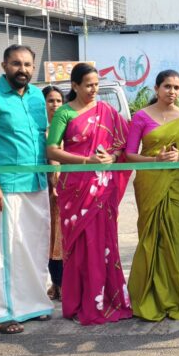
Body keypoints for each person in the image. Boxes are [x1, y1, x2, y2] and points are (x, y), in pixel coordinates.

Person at [0, 45, 53, 333]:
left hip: (36, 183)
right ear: (4, 65)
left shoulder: (35, 97)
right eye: (16, 64)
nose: (23, 70)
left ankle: (32, 304)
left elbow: (42, 139)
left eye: (28, 64)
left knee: (32, 247)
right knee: (1, 251)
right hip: (4, 187)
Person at [47, 62, 132, 326]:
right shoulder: (64, 113)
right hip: (75, 187)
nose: (94, 89)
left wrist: (113, 155)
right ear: (75, 86)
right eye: (88, 85)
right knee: (79, 246)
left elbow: (123, 142)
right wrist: (86, 162)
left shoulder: (106, 110)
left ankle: (107, 298)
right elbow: (51, 150)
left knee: (104, 243)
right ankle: (78, 302)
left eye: (96, 84)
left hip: (102, 187)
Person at [125, 70, 179, 321]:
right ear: (156, 88)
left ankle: (175, 296)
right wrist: (154, 159)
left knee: (175, 240)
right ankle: (147, 295)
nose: (172, 92)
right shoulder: (141, 117)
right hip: (150, 181)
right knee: (150, 237)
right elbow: (129, 154)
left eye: (177, 87)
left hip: (178, 182)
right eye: (167, 86)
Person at [41, 85, 65, 301]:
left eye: (59, 100)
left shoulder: (69, 128)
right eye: (50, 100)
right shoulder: (40, 131)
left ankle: (63, 284)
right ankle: (56, 284)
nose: (55, 105)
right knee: (50, 240)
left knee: (63, 239)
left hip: (66, 190)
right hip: (45, 192)